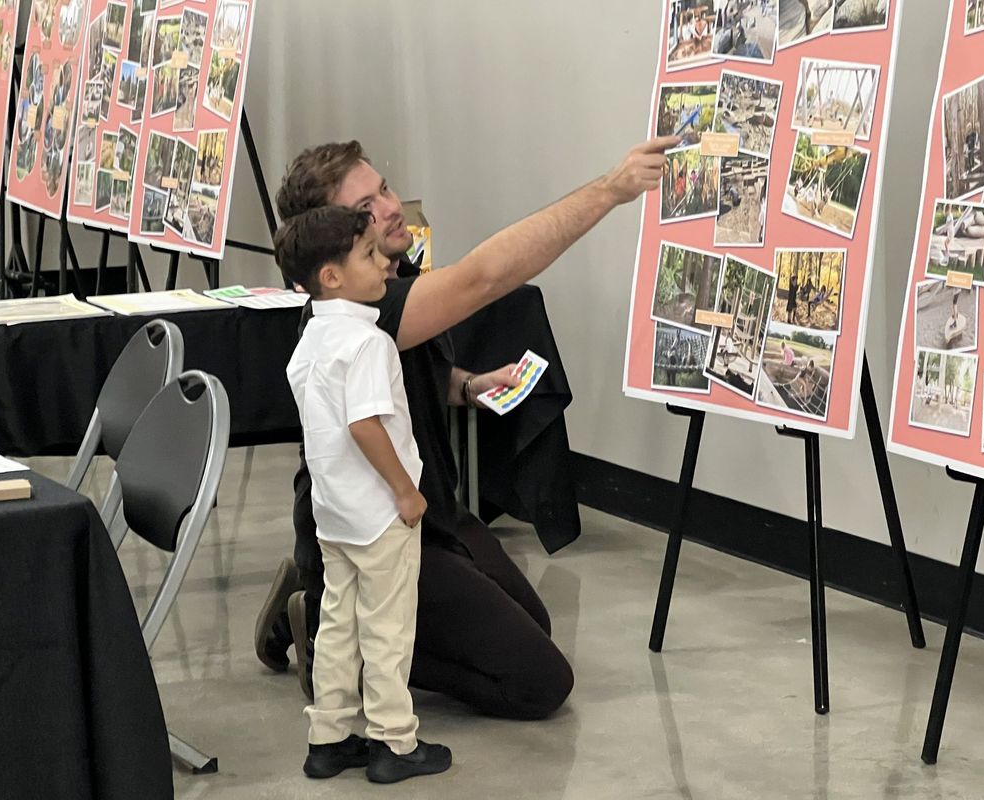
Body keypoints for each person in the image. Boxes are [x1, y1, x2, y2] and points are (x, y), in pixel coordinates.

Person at [254, 135, 675, 720]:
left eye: (384, 188)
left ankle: (323, 610)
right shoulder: (363, 301)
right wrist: (610, 189)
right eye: (367, 207)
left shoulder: (390, 278)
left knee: (536, 622)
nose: (392, 205)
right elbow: (485, 277)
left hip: (432, 514)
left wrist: (467, 386)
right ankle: (335, 632)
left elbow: (402, 375)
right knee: (539, 683)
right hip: (381, 532)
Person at [277, 206, 451, 784]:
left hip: (334, 515)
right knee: (388, 629)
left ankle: (327, 738)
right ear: (331, 276)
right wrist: (407, 492)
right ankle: (394, 744)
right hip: (380, 514)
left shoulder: (311, 338)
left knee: (337, 627)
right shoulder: (368, 342)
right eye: (371, 256)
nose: (386, 262)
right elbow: (366, 425)